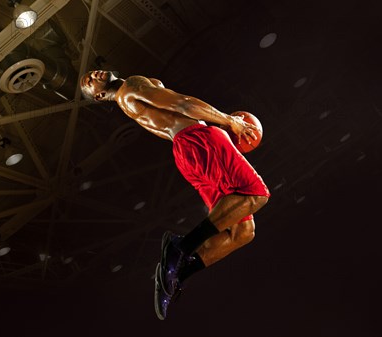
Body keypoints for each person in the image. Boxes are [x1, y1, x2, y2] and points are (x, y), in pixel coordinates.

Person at [79, 70, 270, 320]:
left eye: (90, 73)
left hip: (186, 153)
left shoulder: (130, 97)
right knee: (256, 195)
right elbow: (183, 104)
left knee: (243, 233)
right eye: (88, 82)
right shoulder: (130, 86)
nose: (92, 75)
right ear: (101, 95)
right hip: (198, 140)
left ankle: (178, 275)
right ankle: (181, 247)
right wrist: (227, 120)